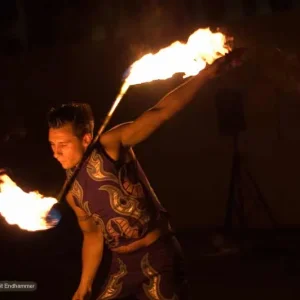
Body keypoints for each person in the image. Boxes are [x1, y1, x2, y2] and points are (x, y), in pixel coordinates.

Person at [47, 52, 244, 300]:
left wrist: (204, 75)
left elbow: (160, 112)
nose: (56, 153)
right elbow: (92, 235)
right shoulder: (72, 191)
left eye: (63, 144)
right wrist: (84, 286)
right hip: (121, 266)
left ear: (86, 139)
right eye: (52, 145)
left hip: (159, 257)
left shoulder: (111, 146)